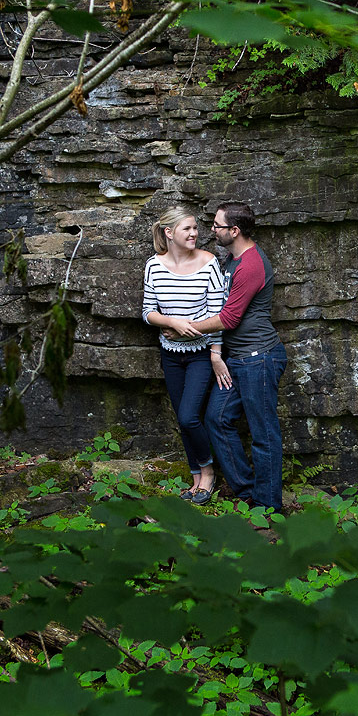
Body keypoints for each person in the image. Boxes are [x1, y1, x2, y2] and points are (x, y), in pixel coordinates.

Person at [173, 202, 287, 512]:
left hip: (259, 358)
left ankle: (269, 507)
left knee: (264, 435)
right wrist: (217, 353)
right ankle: (247, 491)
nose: (212, 230)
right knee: (216, 419)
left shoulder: (250, 265)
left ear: (234, 231)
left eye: (218, 226)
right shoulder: (230, 261)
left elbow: (228, 318)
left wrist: (186, 328)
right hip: (236, 359)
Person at [141, 207, 231, 505]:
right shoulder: (154, 265)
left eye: (195, 228)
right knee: (183, 420)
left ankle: (207, 473)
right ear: (169, 233)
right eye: (187, 229)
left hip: (201, 354)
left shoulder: (208, 263)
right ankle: (195, 479)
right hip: (170, 355)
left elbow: (219, 315)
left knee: (189, 416)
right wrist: (172, 323)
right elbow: (148, 312)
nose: (195, 234)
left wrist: (216, 353)